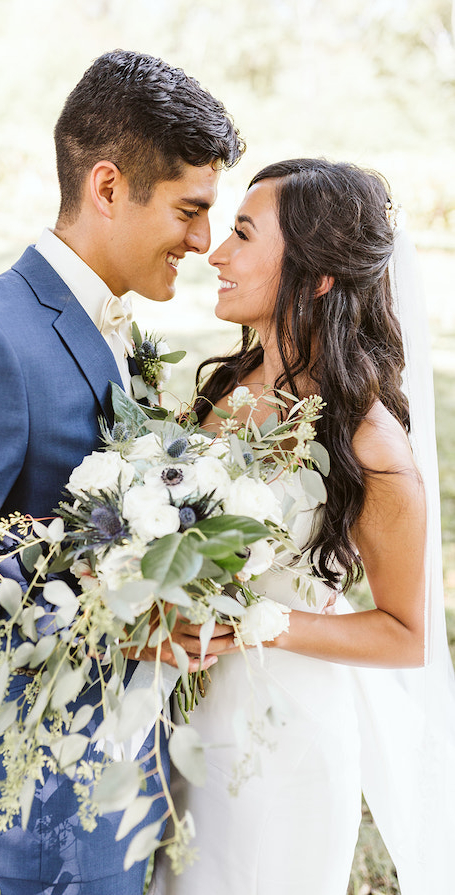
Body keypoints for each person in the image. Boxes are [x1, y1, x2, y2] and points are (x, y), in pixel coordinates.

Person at [0, 50, 243, 895]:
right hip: (51, 805)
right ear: (108, 188)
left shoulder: (108, 322)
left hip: (124, 768)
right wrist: (113, 622)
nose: (202, 241)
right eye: (189, 210)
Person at [150, 159, 455, 894]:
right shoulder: (233, 382)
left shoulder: (372, 447)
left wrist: (264, 621)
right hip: (186, 716)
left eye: (243, 235)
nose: (216, 253)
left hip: (280, 743)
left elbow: (406, 634)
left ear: (316, 275)